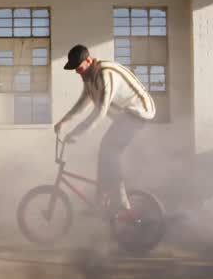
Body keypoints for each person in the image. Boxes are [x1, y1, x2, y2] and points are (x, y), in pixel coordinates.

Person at [54, 44, 156, 219]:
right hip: (125, 115)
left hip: (139, 111)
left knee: (109, 149)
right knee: (104, 151)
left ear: (88, 60)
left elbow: (100, 111)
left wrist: (76, 134)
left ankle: (123, 204)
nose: (78, 73)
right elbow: (82, 103)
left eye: (79, 68)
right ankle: (102, 200)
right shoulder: (89, 77)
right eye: (76, 71)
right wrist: (64, 120)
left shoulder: (105, 74)